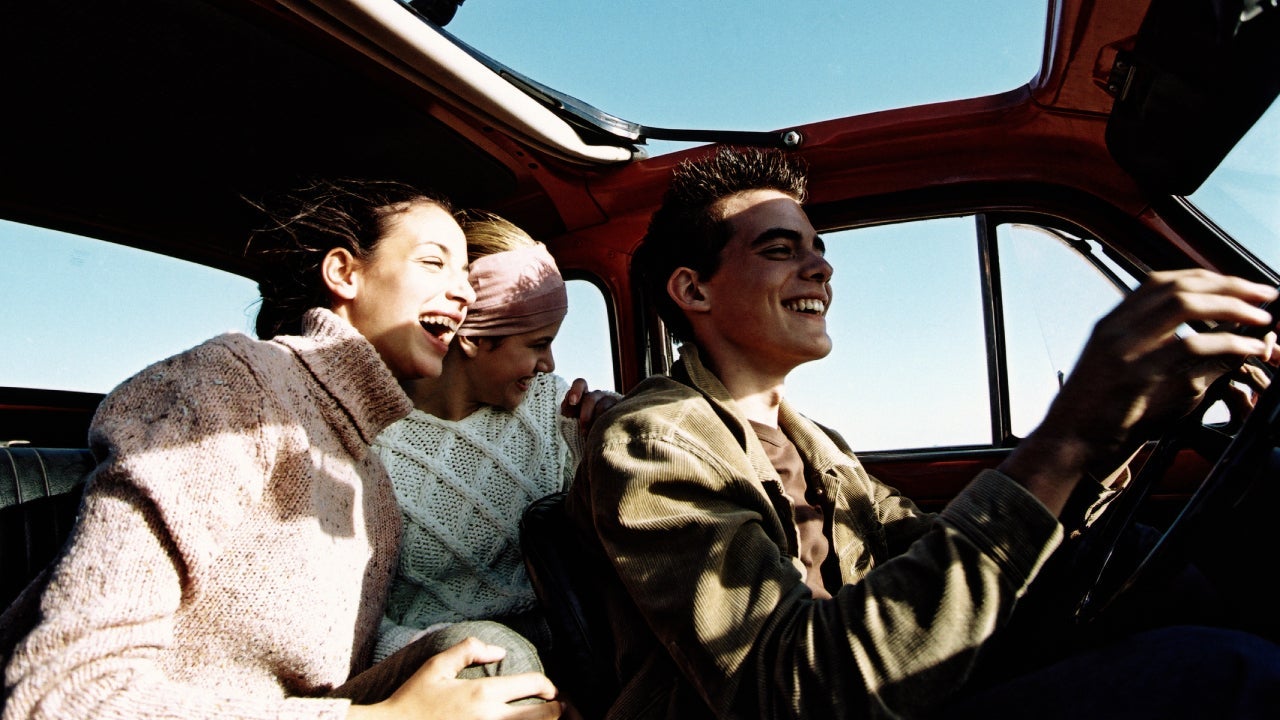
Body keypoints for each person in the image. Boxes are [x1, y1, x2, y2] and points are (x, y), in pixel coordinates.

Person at [565, 147, 1280, 719]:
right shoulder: (652, 441)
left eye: (817, 246)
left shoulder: (820, 444)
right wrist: (1061, 439)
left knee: (1143, 566)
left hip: (897, 686)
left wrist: (1107, 445)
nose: (822, 265)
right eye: (781, 249)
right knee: (1222, 674)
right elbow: (785, 693)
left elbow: (935, 558)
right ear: (694, 291)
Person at [1, 179, 564, 719]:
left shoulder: (367, 471)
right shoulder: (231, 388)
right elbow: (61, 695)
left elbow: (333, 667)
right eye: (434, 262)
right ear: (344, 273)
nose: (464, 290)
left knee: (489, 662)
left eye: (467, 273)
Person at [373, 211, 617, 665]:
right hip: (456, 667)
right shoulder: (377, 444)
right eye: (537, 344)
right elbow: (365, 623)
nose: (549, 363)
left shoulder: (549, 406)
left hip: (578, 647)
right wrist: (446, 656)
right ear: (472, 338)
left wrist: (604, 443)